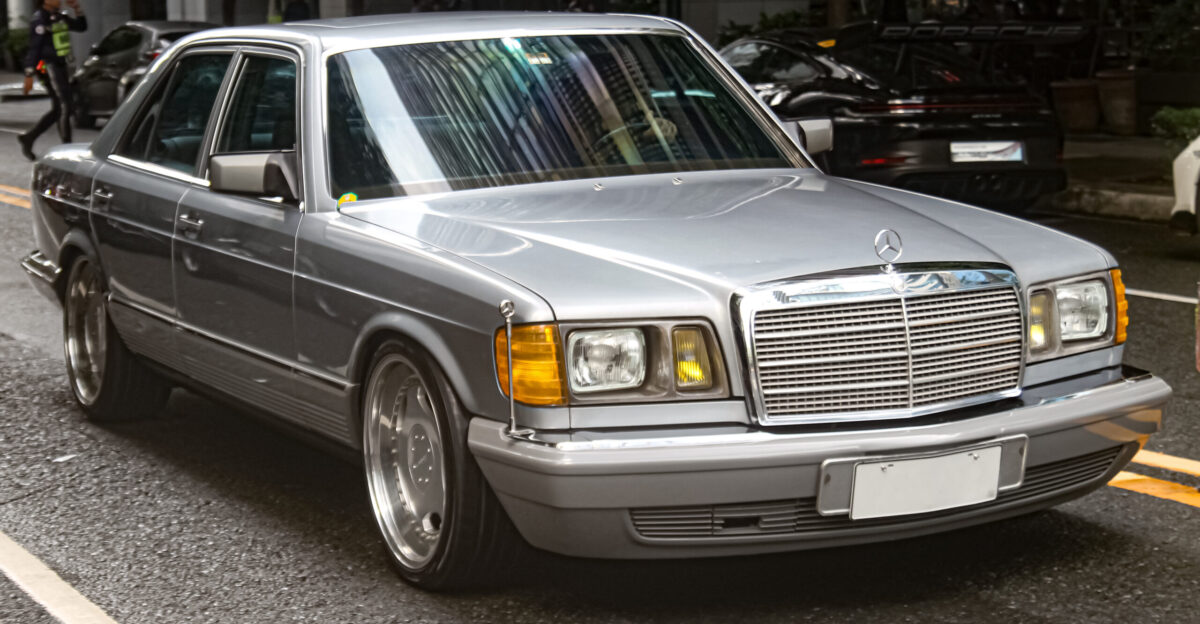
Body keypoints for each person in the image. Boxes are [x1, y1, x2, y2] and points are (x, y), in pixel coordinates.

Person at [18, 0, 87, 161]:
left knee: (59, 108)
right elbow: (35, 48)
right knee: (65, 106)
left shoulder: (60, 17)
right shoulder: (40, 19)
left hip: (61, 65)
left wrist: (77, 9)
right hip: (47, 66)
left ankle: (29, 138)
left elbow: (82, 27)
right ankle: (67, 149)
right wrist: (29, 73)